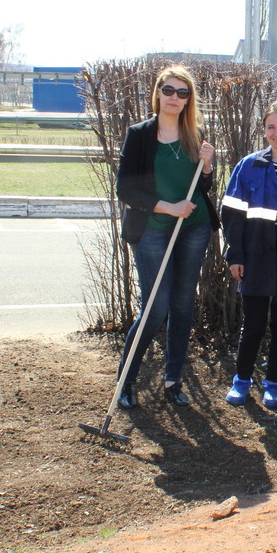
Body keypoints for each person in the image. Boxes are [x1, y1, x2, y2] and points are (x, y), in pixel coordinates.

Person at [115, 65, 217, 410]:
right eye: (169, 90)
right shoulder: (140, 134)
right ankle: (126, 381)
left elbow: (203, 189)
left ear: (189, 99)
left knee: (183, 304)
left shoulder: (195, 134)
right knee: (156, 307)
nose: (175, 97)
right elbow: (124, 188)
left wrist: (207, 167)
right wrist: (166, 207)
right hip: (152, 231)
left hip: (194, 227)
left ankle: (173, 381)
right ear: (158, 93)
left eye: (182, 92)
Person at [221, 104, 277, 408]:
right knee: (255, 322)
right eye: (271, 127)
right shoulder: (249, 166)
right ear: (264, 131)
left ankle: (273, 380)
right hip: (256, 253)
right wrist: (235, 255)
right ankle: (242, 380)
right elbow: (231, 214)